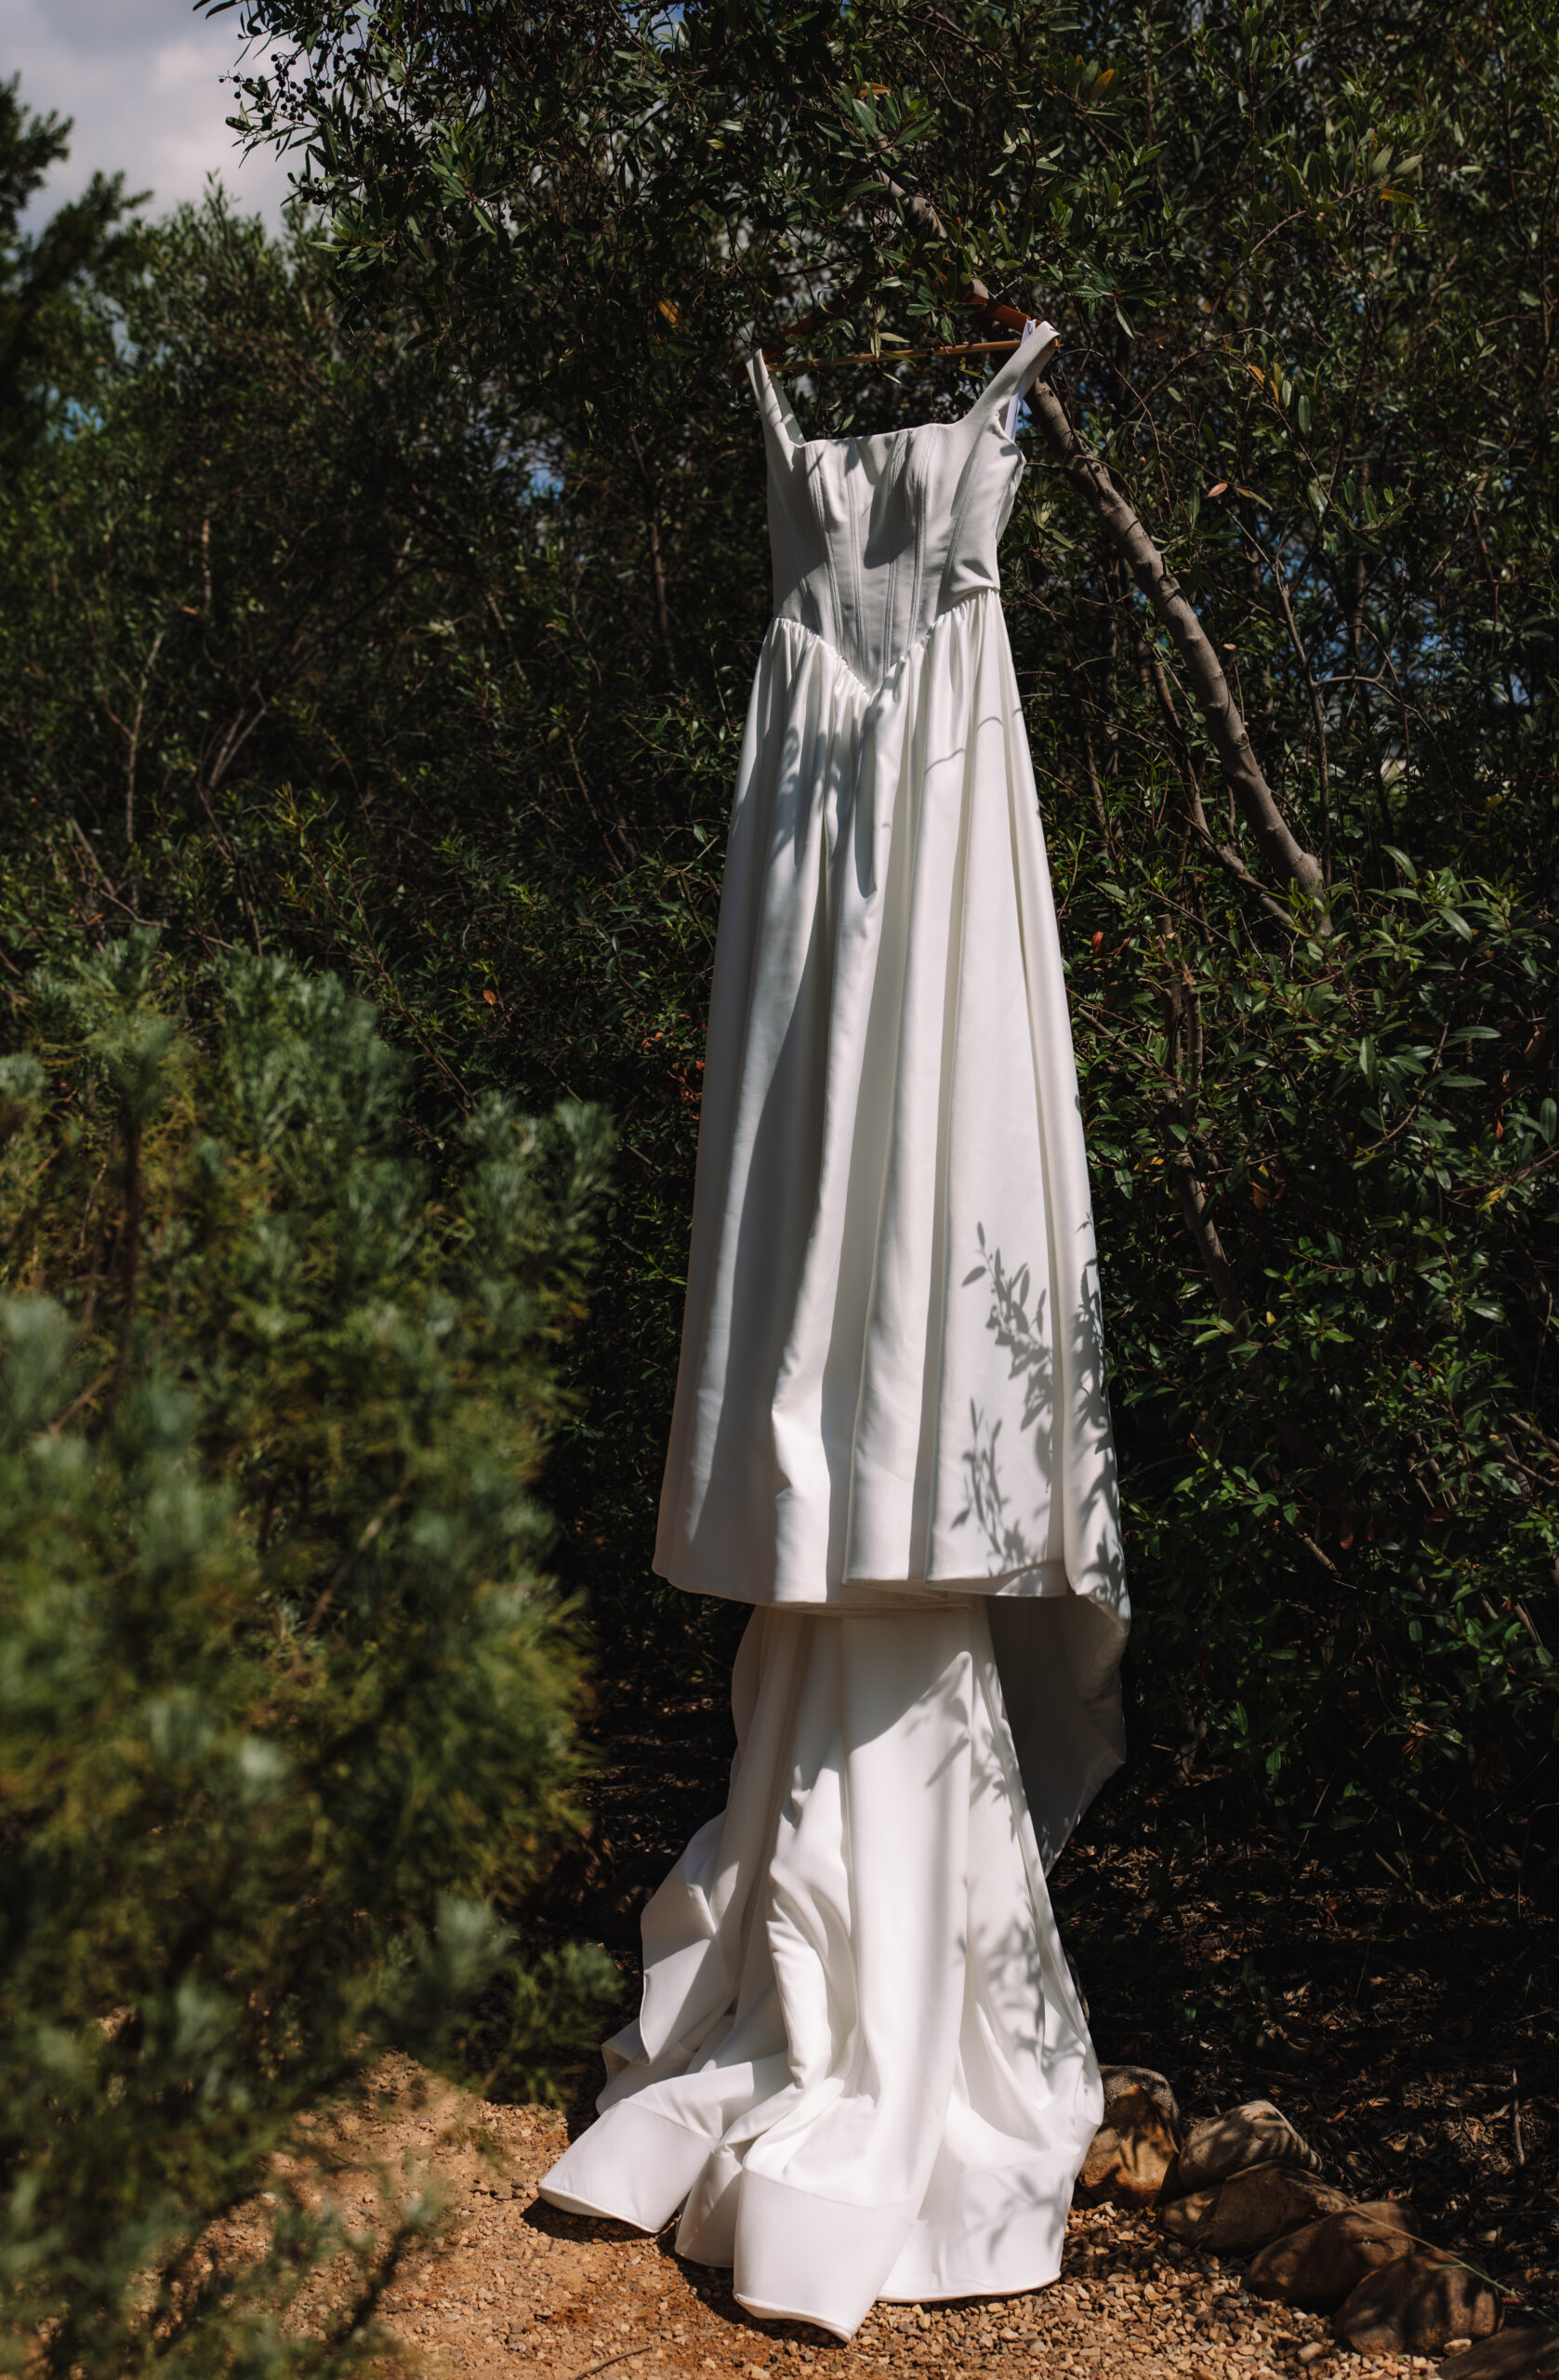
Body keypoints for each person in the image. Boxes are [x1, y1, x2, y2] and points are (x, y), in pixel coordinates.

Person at [539, 326, 1129, 2344]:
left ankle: (845, 1956)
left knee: (924, 1205)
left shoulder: (950, 487)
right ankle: (840, 1976)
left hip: (933, 798)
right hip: (822, 822)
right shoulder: (810, 486)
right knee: (825, 1225)